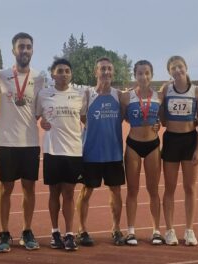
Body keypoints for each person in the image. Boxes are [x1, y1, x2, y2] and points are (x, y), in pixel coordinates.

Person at [0, 32, 44, 252]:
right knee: (5, 189)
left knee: (29, 189)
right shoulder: (2, 75)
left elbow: (40, 111)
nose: (25, 50)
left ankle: (26, 230)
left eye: (28, 47)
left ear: (32, 50)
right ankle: (4, 232)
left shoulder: (40, 77)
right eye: (21, 46)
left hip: (30, 143)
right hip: (6, 143)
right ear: (14, 50)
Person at [36, 58, 85, 251]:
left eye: (67, 71)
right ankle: (55, 231)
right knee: (54, 192)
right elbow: (38, 117)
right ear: (53, 74)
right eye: (60, 71)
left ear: (71, 74)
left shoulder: (80, 94)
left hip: (73, 151)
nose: (63, 74)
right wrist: (42, 123)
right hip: (52, 151)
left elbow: (84, 118)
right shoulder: (44, 94)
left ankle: (70, 233)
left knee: (69, 194)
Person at [75, 57, 126, 247]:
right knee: (86, 191)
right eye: (102, 69)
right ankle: (82, 230)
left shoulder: (119, 95)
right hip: (91, 153)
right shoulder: (87, 94)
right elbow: (81, 117)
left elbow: (124, 117)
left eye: (109, 69)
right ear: (96, 72)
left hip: (113, 154)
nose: (106, 72)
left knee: (116, 191)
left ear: (113, 72)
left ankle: (116, 229)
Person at [160, 56, 198, 246]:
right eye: (173, 68)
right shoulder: (166, 89)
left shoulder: (197, 91)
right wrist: (161, 101)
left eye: (180, 67)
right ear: (169, 72)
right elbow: (161, 118)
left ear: (186, 68)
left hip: (189, 140)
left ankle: (189, 230)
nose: (177, 70)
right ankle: (169, 230)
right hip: (171, 140)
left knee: (190, 187)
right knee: (169, 188)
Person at [122, 60, 163, 246]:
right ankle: (130, 231)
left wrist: (159, 123)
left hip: (153, 145)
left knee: (153, 190)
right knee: (132, 190)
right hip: (133, 146)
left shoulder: (160, 96)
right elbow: (122, 116)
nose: (143, 77)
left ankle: (156, 230)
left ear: (151, 75)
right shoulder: (126, 97)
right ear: (135, 75)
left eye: (147, 73)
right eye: (140, 73)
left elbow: (164, 118)